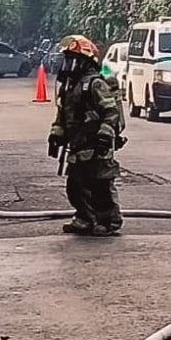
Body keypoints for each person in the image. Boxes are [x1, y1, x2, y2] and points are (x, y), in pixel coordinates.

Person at [47, 35, 125, 236]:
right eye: (66, 59)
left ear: (84, 62)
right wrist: (56, 135)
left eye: (72, 59)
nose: (67, 64)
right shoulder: (69, 86)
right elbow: (63, 114)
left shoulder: (94, 84)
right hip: (78, 145)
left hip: (96, 146)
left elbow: (111, 112)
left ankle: (108, 222)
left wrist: (104, 136)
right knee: (75, 186)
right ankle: (84, 218)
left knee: (101, 186)